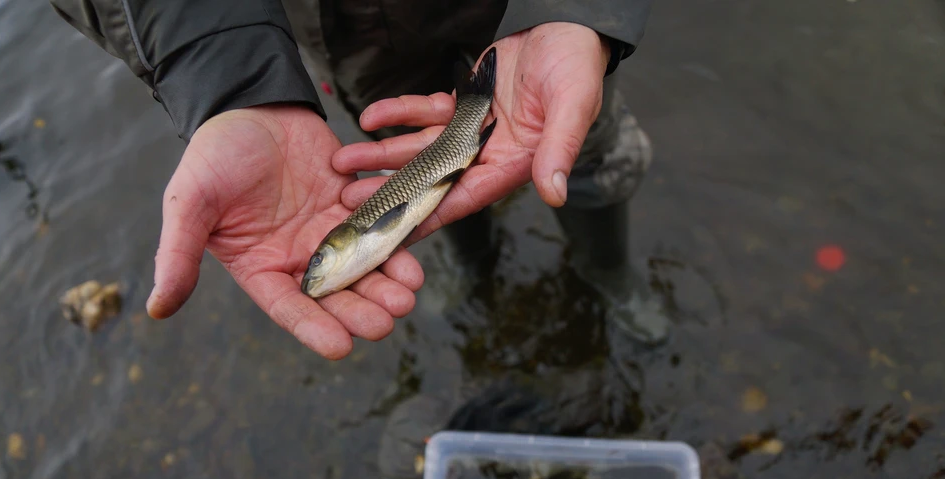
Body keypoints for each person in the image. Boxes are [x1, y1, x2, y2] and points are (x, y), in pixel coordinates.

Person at [49, 0, 669, 360]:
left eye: (320, 268)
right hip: (353, 45)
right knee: (416, 168)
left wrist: (578, 10)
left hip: (527, 15)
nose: (316, 276)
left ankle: (607, 267)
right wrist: (229, 78)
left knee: (577, 140)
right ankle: (472, 259)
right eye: (318, 272)